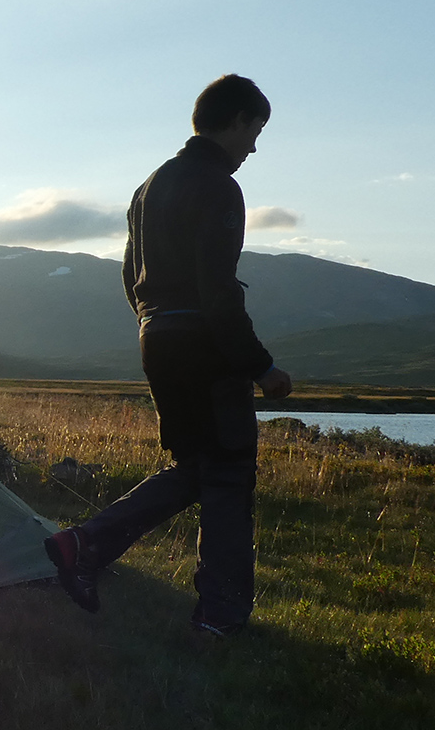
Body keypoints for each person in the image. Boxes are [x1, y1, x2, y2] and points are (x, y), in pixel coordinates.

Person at [44, 74, 292, 636]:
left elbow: (130, 275)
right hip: (205, 345)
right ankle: (220, 616)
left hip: (156, 338)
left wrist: (154, 325)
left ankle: (81, 544)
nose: (254, 146)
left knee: (195, 468)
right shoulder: (219, 188)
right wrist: (260, 365)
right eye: (255, 130)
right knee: (228, 473)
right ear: (234, 122)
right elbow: (219, 290)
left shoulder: (150, 185)